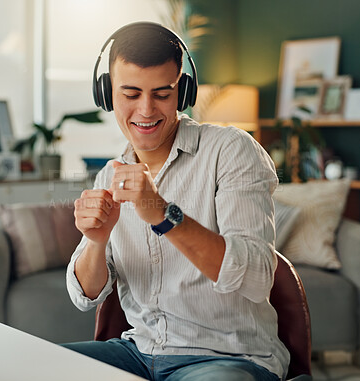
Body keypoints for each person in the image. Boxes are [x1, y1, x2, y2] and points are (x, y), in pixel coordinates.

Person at [64, 22, 290, 381]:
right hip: (138, 352)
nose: (146, 110)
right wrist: (97, 239)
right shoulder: (110, 174)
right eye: (131, 93)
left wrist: (162, 214)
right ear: (106, 93)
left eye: (162, 93)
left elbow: (257, 278)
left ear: (183, 91)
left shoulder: (231, 151)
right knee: (33, 366)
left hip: (228, 358)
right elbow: (86, 295)